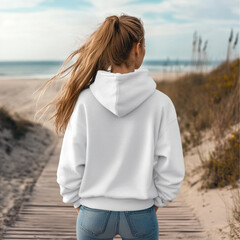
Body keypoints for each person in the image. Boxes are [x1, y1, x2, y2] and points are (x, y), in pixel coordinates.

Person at [35, 13, 185, 240]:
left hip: (93, 213)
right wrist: (158, 201)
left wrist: (78, 202)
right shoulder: (161, 103)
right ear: (138, 49)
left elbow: (70, 163)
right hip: (140, 214)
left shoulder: (85, 100)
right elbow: (171, 166)